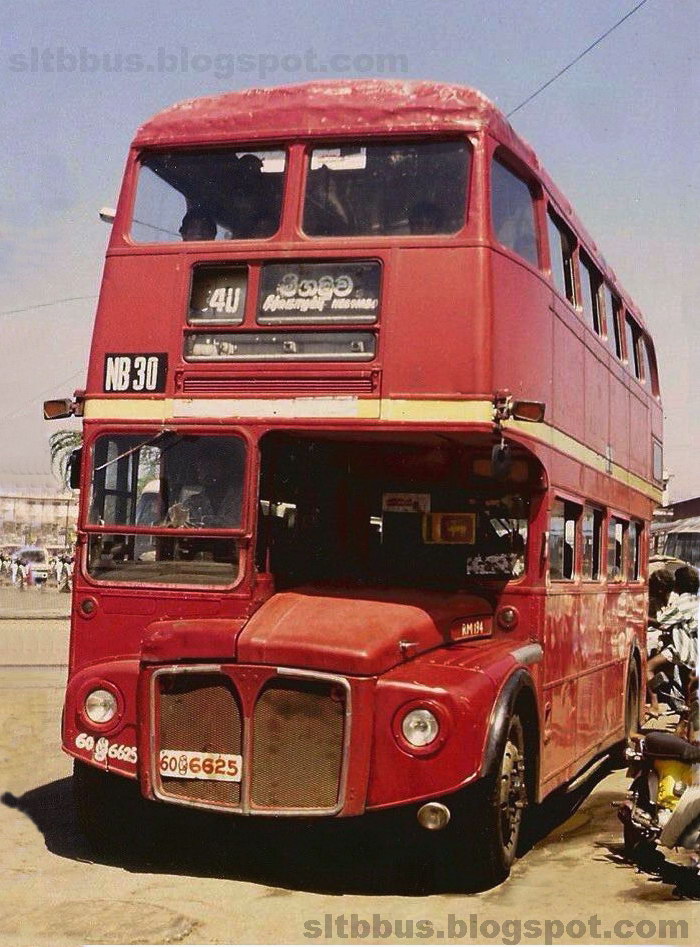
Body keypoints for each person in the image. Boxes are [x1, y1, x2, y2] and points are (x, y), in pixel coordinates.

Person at [647, 565, 699, 716]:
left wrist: (641, 618)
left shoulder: (682, 603)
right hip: (689, 648)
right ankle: (685, 726)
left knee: (648, 668)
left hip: (684, 649)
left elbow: (662, 621)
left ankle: (655, 705)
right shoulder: (694, 599)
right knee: (688, 690)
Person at [167, 441, 244, 528]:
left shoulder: (242, 499)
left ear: (225, 468)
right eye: (202, 467)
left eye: (212, 466)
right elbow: (181, 527)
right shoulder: (192, 503)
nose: (206, 472)